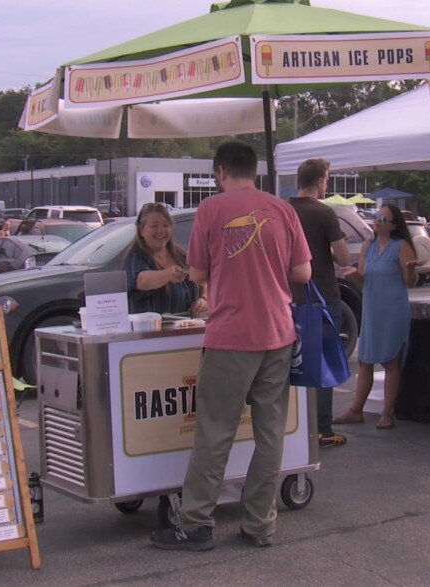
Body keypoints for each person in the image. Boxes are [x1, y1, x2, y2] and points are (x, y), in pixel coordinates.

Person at [150, 141, 312, 551]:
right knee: (270, 432)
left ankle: (197, 523)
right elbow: (303, 271)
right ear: (253, 170)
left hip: (230, 336)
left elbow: (199, 270)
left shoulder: (210, 210)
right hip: (278, 333)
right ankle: (260, 523)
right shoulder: (283, 209)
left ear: (221, 171)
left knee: (215, 432)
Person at [333, 203, 421, 431]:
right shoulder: (367, 246)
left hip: (392, 310)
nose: (378, 220)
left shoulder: (401, 247)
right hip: (372, 308)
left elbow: (410, 282)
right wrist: (354, 276)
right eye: (377, 216)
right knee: (365, 360)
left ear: (393, 225)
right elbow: (363, 281)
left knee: (390, 360)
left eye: (384, 218)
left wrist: (411, 270)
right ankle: (355, 410)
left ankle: (387, 413)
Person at [288, 158, 355, 448]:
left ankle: (294, 427)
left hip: (288, 297)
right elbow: (344, 259)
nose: (326, 184)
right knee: (322, 363)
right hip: (322, 298)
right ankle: (323, 430)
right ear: (319, 181)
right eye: (326, 179)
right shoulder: (324, 213)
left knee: (290, 363)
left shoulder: (283, 210)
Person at [124, 202, 207, 315]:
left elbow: (202, 280)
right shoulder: (135, 257)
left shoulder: (181, 255)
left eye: (166, 225)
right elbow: (143, 281)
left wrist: (203, 299)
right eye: (154, 226)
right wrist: (168, 274)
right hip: (153, 330)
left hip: (187, 329)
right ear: (141, 230)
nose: (161, 231)